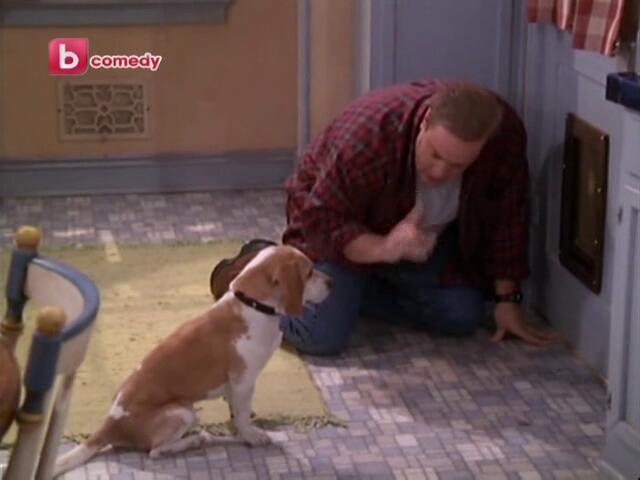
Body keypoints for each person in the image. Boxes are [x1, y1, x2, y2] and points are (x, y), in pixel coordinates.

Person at [210, 79, 557, 355]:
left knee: (463, 315)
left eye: (458, 165)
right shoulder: (369, 137)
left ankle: (350, 291)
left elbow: (508, 216)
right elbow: (322, 222)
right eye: (435, 155)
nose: (441, 172)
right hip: (344, 231)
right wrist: (384, 247)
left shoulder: (504, 138)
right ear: (425, 122)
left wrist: (508, 300)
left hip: (420, 244)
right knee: (321, 335)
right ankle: (258, 269)